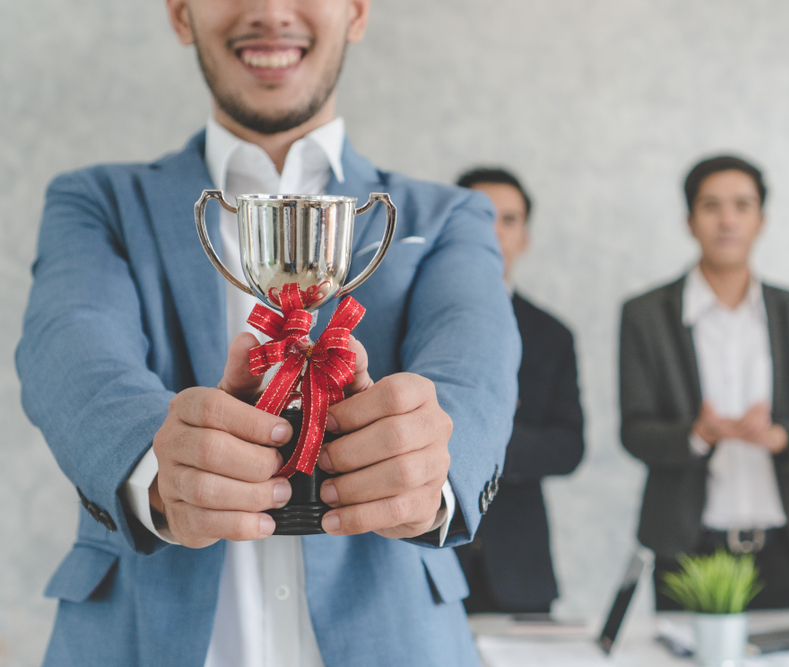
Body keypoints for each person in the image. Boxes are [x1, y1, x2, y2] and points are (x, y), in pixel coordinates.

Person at [15, 2, 520, 666]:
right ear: (180, 14)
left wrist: (430, 463)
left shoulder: (449, 216)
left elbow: (476, 364)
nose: (270, 11)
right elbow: (68, 348)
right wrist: (159, 465)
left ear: (357, 13)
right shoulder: (97, 201)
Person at [619, 155, 789, 610]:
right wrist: (697, 434)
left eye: (742, 205)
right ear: (689, 221)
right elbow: (635, 432)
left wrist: (780, 435)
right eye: (711, 206)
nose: (727, 220)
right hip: (686, 546)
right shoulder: (646, 315)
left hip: (783, 547)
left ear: (762, 219)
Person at [452, 168, 584, 614]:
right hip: (429, 565)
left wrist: (479, 432)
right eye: (481, 216)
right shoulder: (410, 324)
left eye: (509, 219)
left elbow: (568, 448)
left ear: (525, 236)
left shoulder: (552, 334)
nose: (495, 231)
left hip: (520, 568)